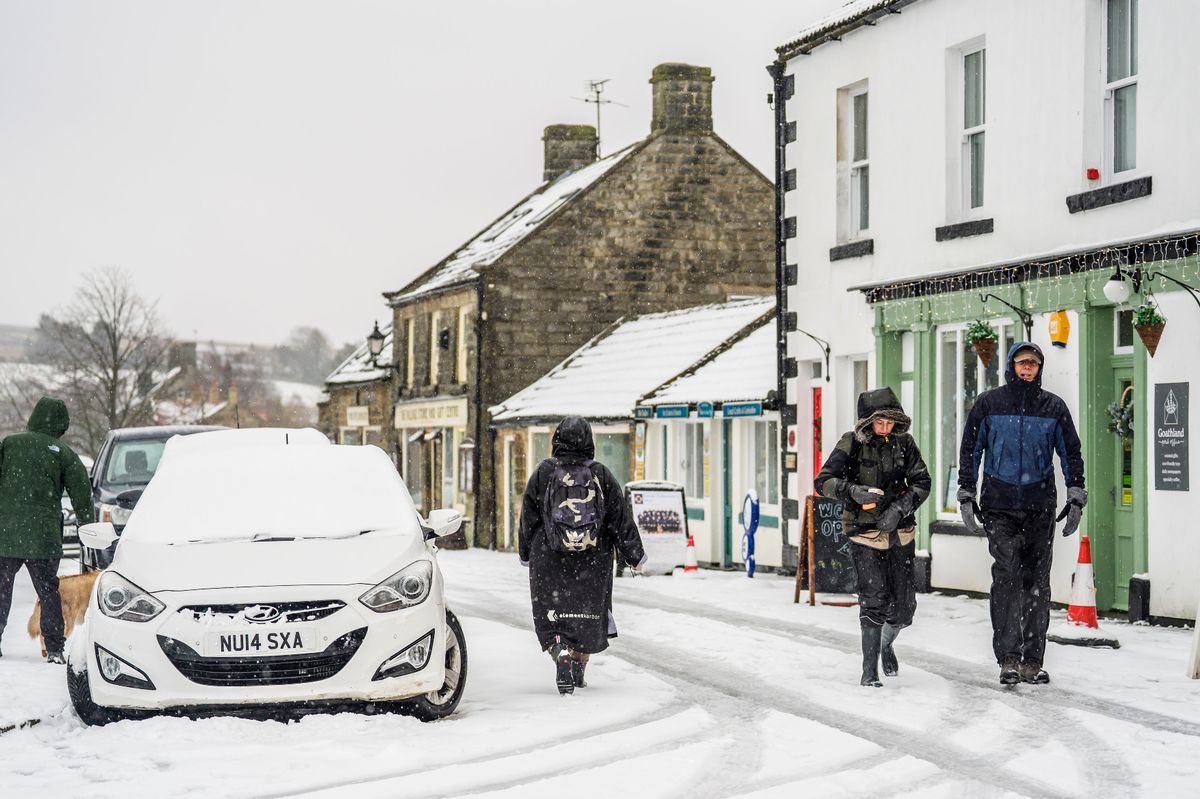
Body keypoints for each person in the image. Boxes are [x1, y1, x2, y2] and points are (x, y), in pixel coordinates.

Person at [957, 341, 1086, 686]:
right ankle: (1009, 658)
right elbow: (971, 450)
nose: (1027, 368)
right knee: (1007, 578)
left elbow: (1071, 453)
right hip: (998, 506)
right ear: (1011, 366)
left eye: (1033, 363)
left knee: (1036, 583)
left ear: (1039, 368)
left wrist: (1076, 495)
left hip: (1039, 506)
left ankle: (1032, 660)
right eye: (1021, 362)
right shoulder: (989, 404)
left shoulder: (1053, 407)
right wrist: (967, 493)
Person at [519, 416, 645, 694]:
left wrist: (526, 550)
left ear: (557, 440)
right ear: (589, 442)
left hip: (549, 557)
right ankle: (578, 670)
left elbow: (528, 516)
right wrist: (634, 554)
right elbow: (619, 517)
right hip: (593, 559)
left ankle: (559, 651)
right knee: (585, 616)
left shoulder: (543, 473)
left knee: (553, 616)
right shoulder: (600, 473)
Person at [815, 388, 931, 687]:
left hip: (900, 534)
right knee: (874, 598)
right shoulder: (851, 443)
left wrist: (900, 508)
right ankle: (869, 670)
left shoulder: (905, 443)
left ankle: (885, 643)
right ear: (868, 423)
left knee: (904, 609)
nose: (885, 428)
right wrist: (853, 491)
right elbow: (823, 481)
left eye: (890, 423)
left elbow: (922, 481)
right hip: (863, 534)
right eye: (879, 423)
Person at [0, 397, 95, 663]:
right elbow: (82, 495)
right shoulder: (64, 454)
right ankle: (54, 649)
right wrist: (87, 527)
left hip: (5, 535)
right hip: (43, 538)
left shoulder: (8, 444)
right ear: (62, 425)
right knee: (48, 592)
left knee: (1, 589)